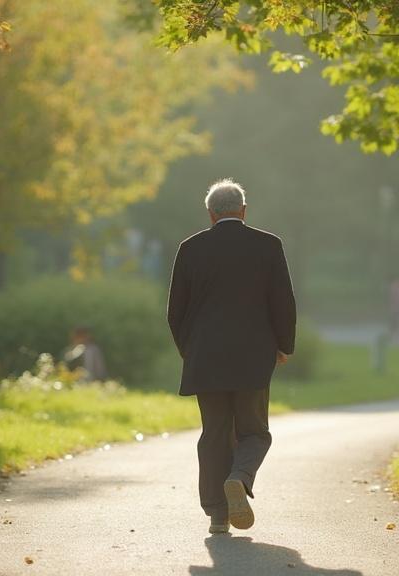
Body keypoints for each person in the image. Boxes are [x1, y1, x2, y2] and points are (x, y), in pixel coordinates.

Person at [167, 178, 297, 535]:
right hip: (253, 357)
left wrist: (188, 350)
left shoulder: (190, 248)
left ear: (210, 214)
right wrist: (283, 345)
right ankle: (239, 477)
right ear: (243, 210)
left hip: (205, 358)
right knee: (254, 431)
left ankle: (217, 516)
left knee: (214, 433)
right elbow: (283, 302)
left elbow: (174, 312)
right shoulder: (268, 245)